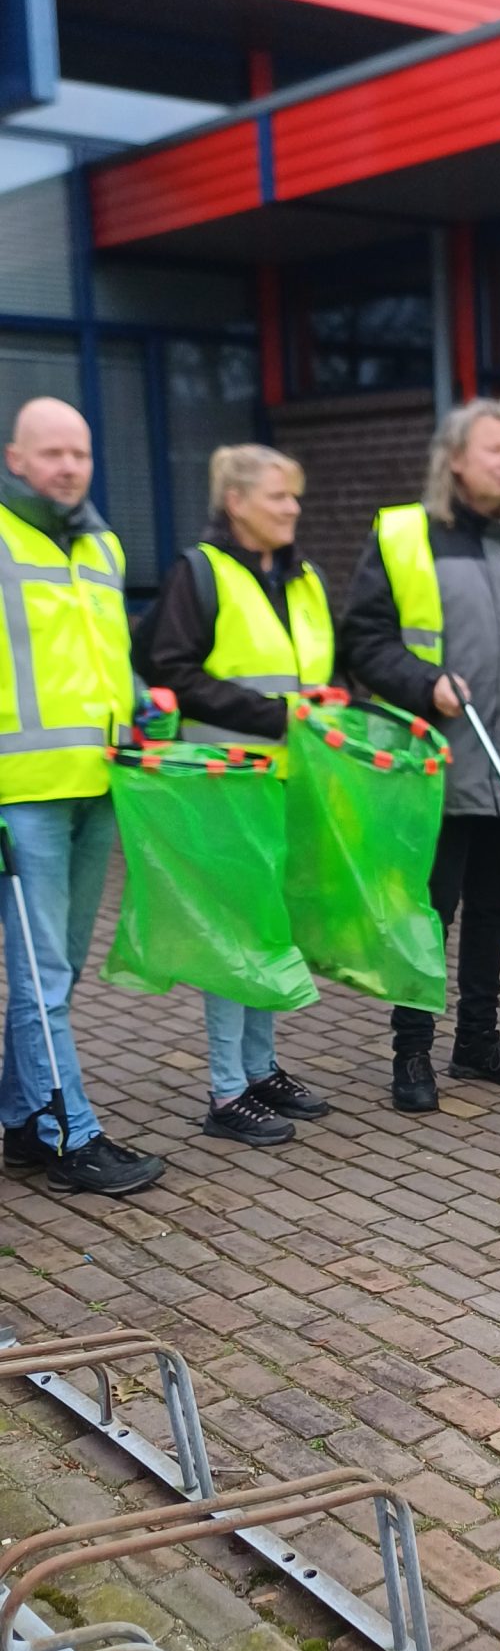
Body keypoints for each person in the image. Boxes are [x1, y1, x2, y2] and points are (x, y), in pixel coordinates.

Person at [340, 396, 500, 1112]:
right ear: (455, 461)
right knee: (429, 913)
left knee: (490, 910)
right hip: (435, 767)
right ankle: (411, 1051)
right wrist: (424, 684)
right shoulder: (403, 536)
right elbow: (364, 641)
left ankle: (477, 1040)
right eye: (494, 451)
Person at [140, 443, 334, 1145]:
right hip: (226, 779)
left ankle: (260, 1068)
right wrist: (279, 716)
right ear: (237, 502)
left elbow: (305, 673)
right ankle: (227, 1091)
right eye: (280, 496)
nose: (293, 508)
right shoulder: (201, 573)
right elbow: (172, 669)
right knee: (233, 935)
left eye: (296, 497)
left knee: (268, 929)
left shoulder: (298, 577)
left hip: (287, 780)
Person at [0, 397, 164, 1195]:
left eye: (81, 453)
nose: (69, 466)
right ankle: (73, 1133)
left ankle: (24, 1121)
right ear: (15, 459)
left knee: (52, 972)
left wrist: (142, 698)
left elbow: (111, 655)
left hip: (99, 784)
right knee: (43, 975)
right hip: (21, 796)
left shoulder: (102, 542)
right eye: (52, 452)